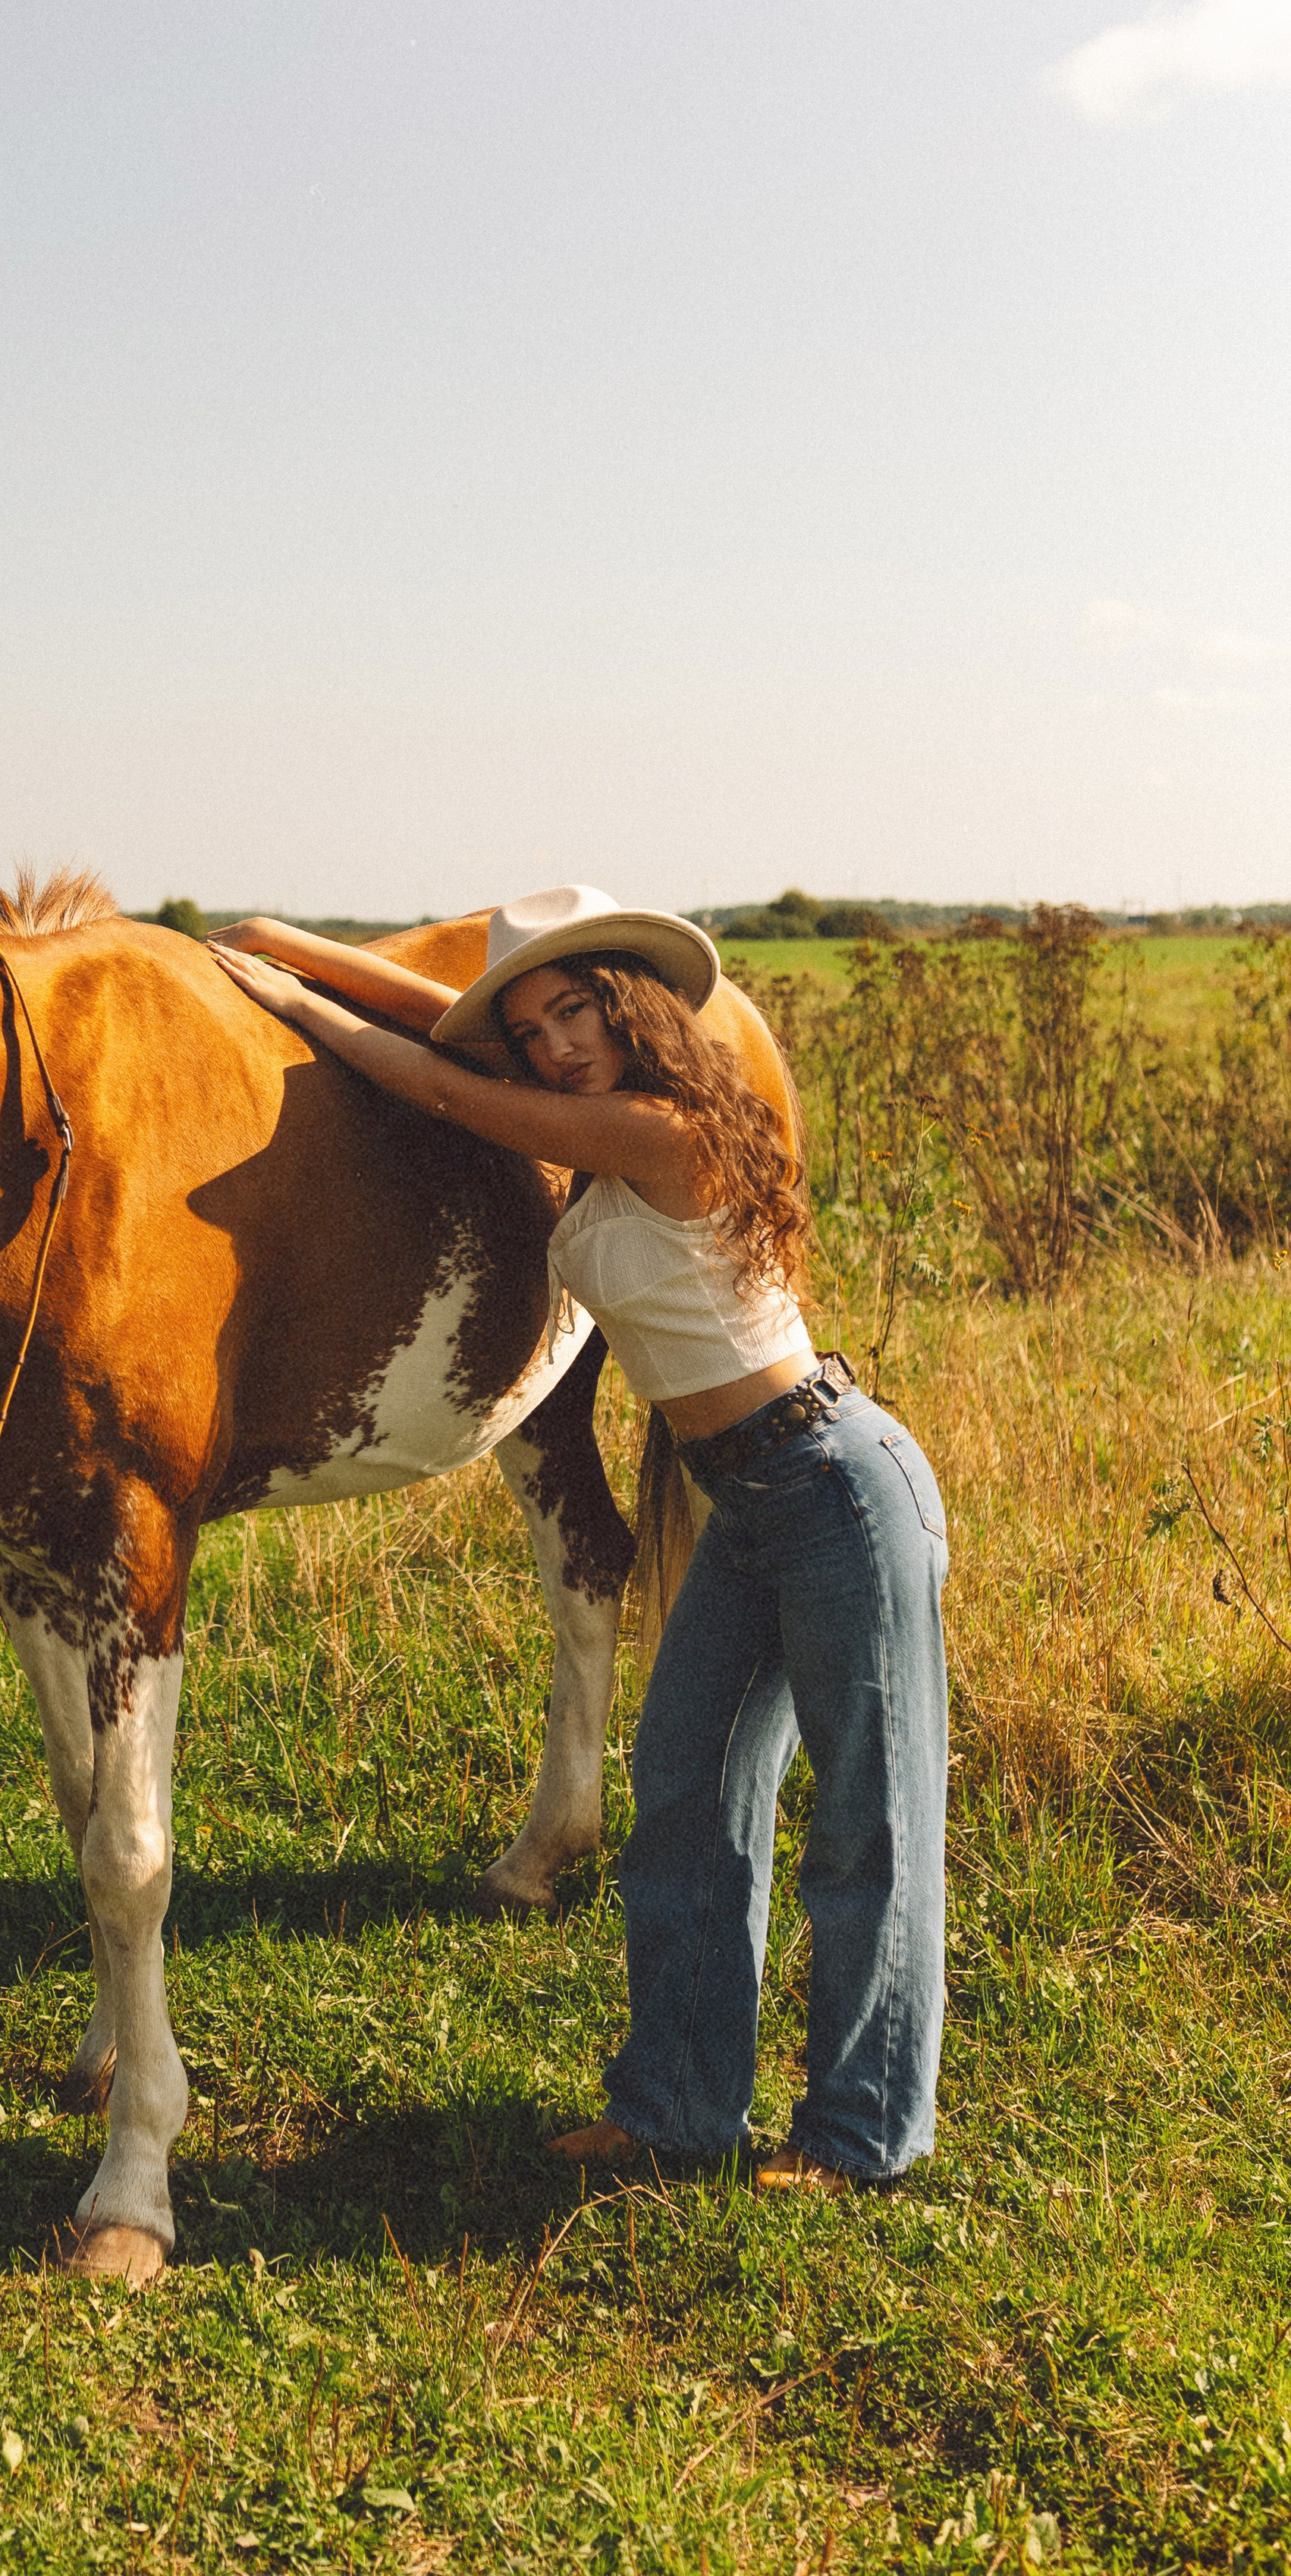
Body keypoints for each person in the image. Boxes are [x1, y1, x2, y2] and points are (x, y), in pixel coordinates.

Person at [211, 886, 948, 2192]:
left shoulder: (659, 1125)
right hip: (748, 1499)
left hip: (834, 1484)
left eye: (578, 1010)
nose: (554, 1043)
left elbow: (451, 1089)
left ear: (634, 1006)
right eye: (537, 1023)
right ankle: (676, 2111)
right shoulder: (607, 1108)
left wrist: (292, 1005)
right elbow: (447, 1025)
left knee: (866, 1826)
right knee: (686, 1795)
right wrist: (283, 940)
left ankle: (860, 2137)